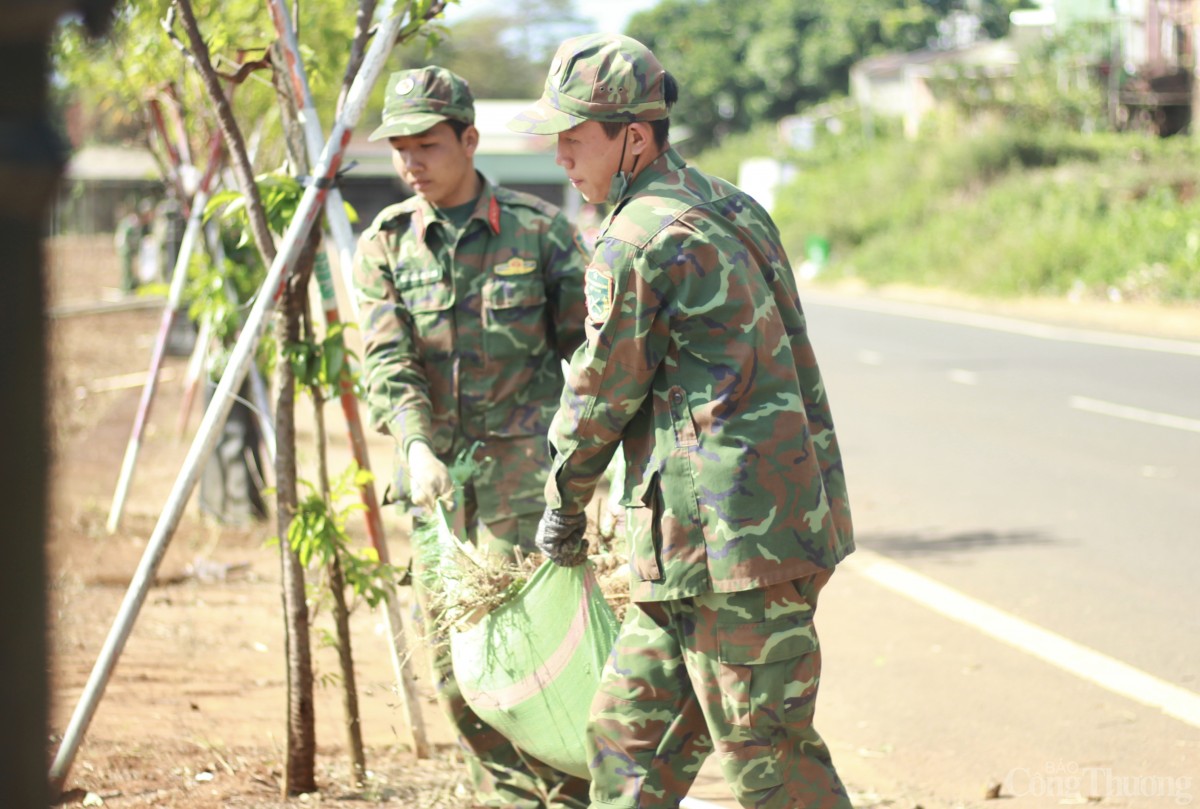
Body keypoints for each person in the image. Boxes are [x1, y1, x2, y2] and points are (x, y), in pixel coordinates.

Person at [508, 34, 856, 809]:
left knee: (772, 763)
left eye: (575, 136)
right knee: (626, 743)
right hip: (711, 546)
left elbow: (599, 394)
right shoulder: (733, 205)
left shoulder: (636, 240)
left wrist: (562, 505)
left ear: (633, 136)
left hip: (737, 549)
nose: (561, 154)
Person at [352, 66, 590, 808]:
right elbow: (388, 360)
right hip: (436, 488)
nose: (412, 163)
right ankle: (513, 797)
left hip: (524, 488)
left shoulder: (537, 231)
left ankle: (564, 793)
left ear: (470, 140)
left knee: (533, 657)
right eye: (400, 149)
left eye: (428, 145)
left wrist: (592, 471)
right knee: (459, 671)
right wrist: (416, 445)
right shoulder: (387, 245)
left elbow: (588, 354)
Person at [113, 199, 152, 294]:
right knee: (126, 269)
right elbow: (126, 236)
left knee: (130, 268)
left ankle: (129, 286)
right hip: (125, 248)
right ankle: (126, 288)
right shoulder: (133, 221)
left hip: (127, 248)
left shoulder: (135, 221)